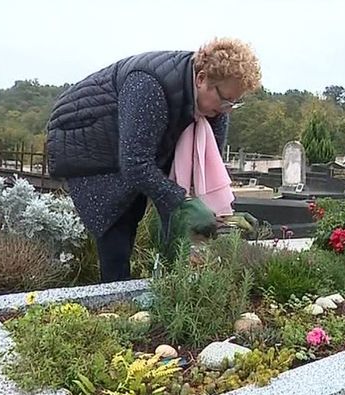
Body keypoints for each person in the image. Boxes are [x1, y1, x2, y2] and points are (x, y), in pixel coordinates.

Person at [46, 38, 262, 282]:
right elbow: (135, 163)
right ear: (201, 79)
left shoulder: (217, 105)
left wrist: (224, 214)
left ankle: (167, 290)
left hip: (130, 149)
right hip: (87, 143)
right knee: (118, 229)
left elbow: (204, 172)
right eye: (225, 100)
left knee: (170, 219)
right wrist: (182, 202)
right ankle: (117, 304)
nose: (228, 109)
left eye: (235, 103)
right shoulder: (148, 84)